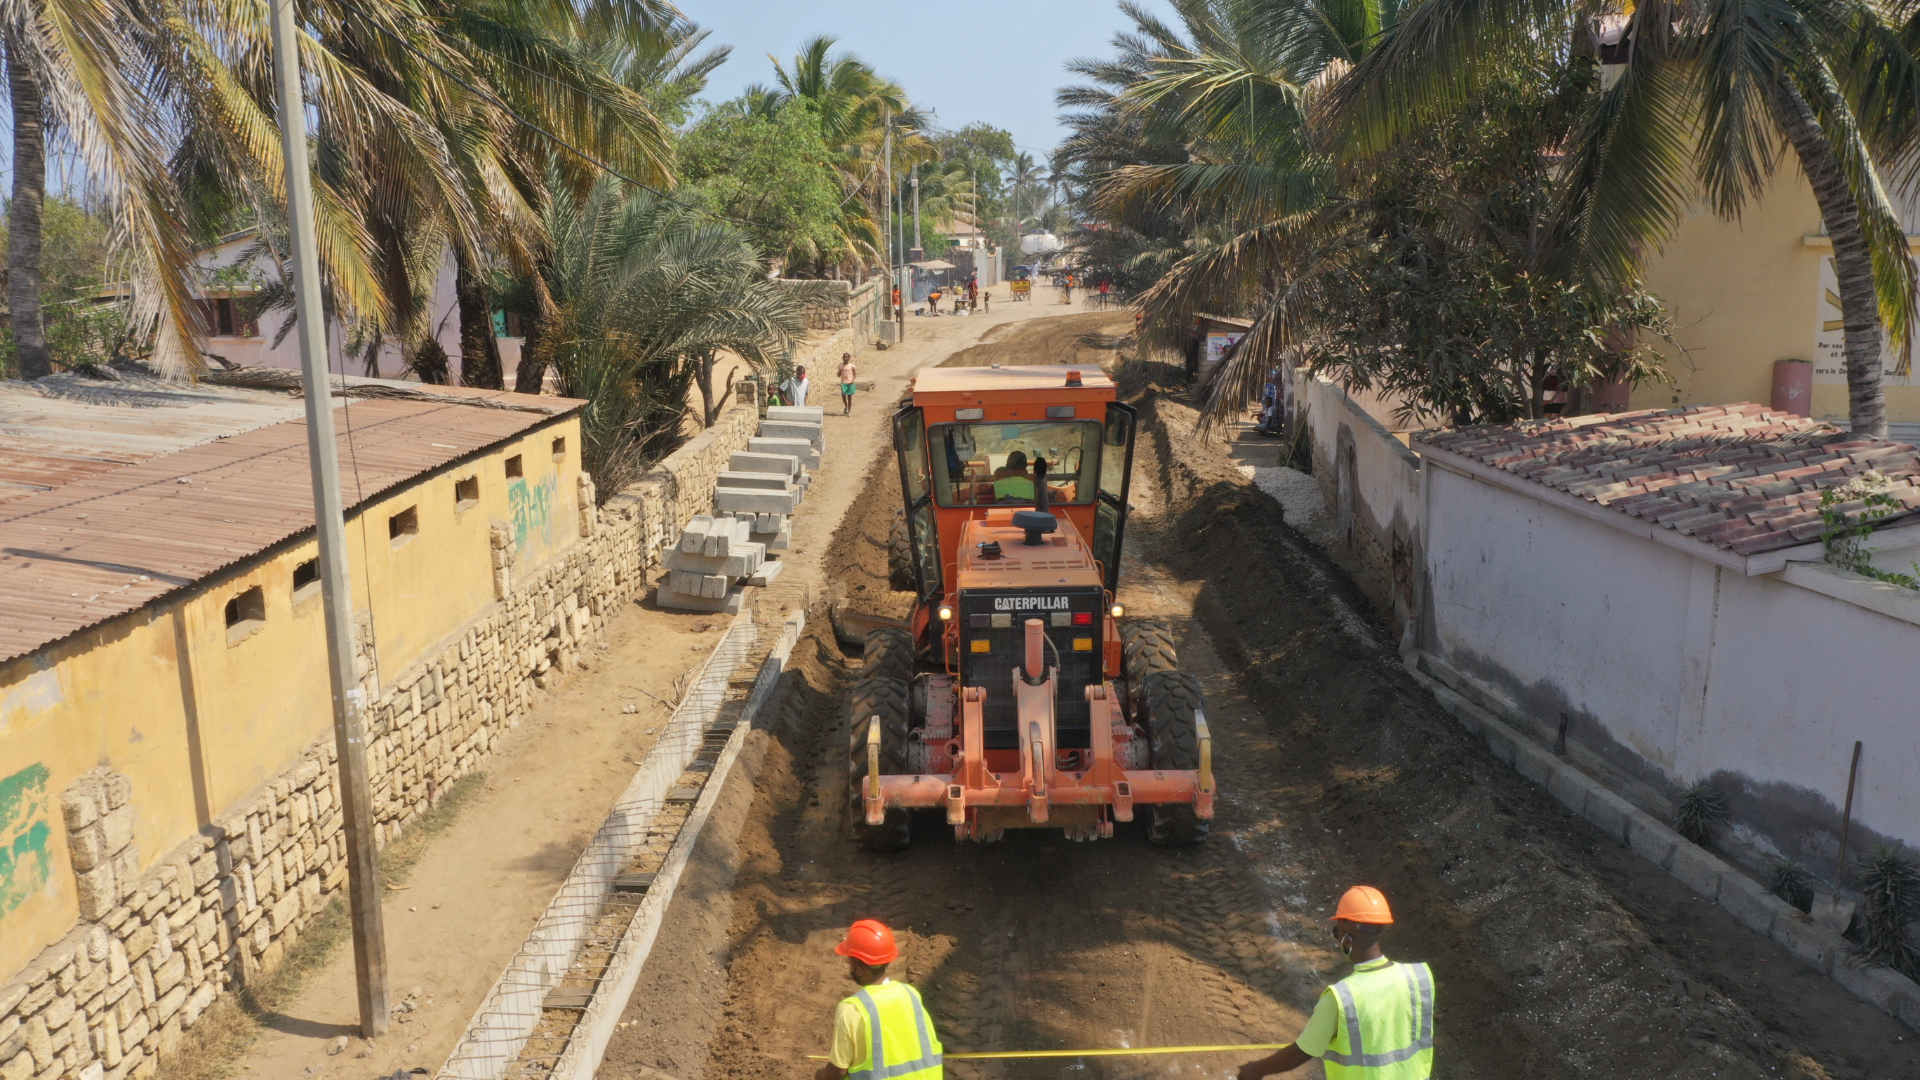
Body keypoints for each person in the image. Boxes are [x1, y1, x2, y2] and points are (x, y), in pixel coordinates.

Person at [1237, 887, 1433, 1080]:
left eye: (1336, 932)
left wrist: (1256, 1070)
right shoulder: (1417, 977)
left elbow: (1303, 1051)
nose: (1337, 939)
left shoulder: (1342, 997)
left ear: (1347, 937)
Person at [814, 919, 943, 1080]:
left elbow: (837, 1073)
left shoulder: (851, 1010)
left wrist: (820, 1076)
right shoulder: (911, 994)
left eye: (849, 961)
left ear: (859, 969)